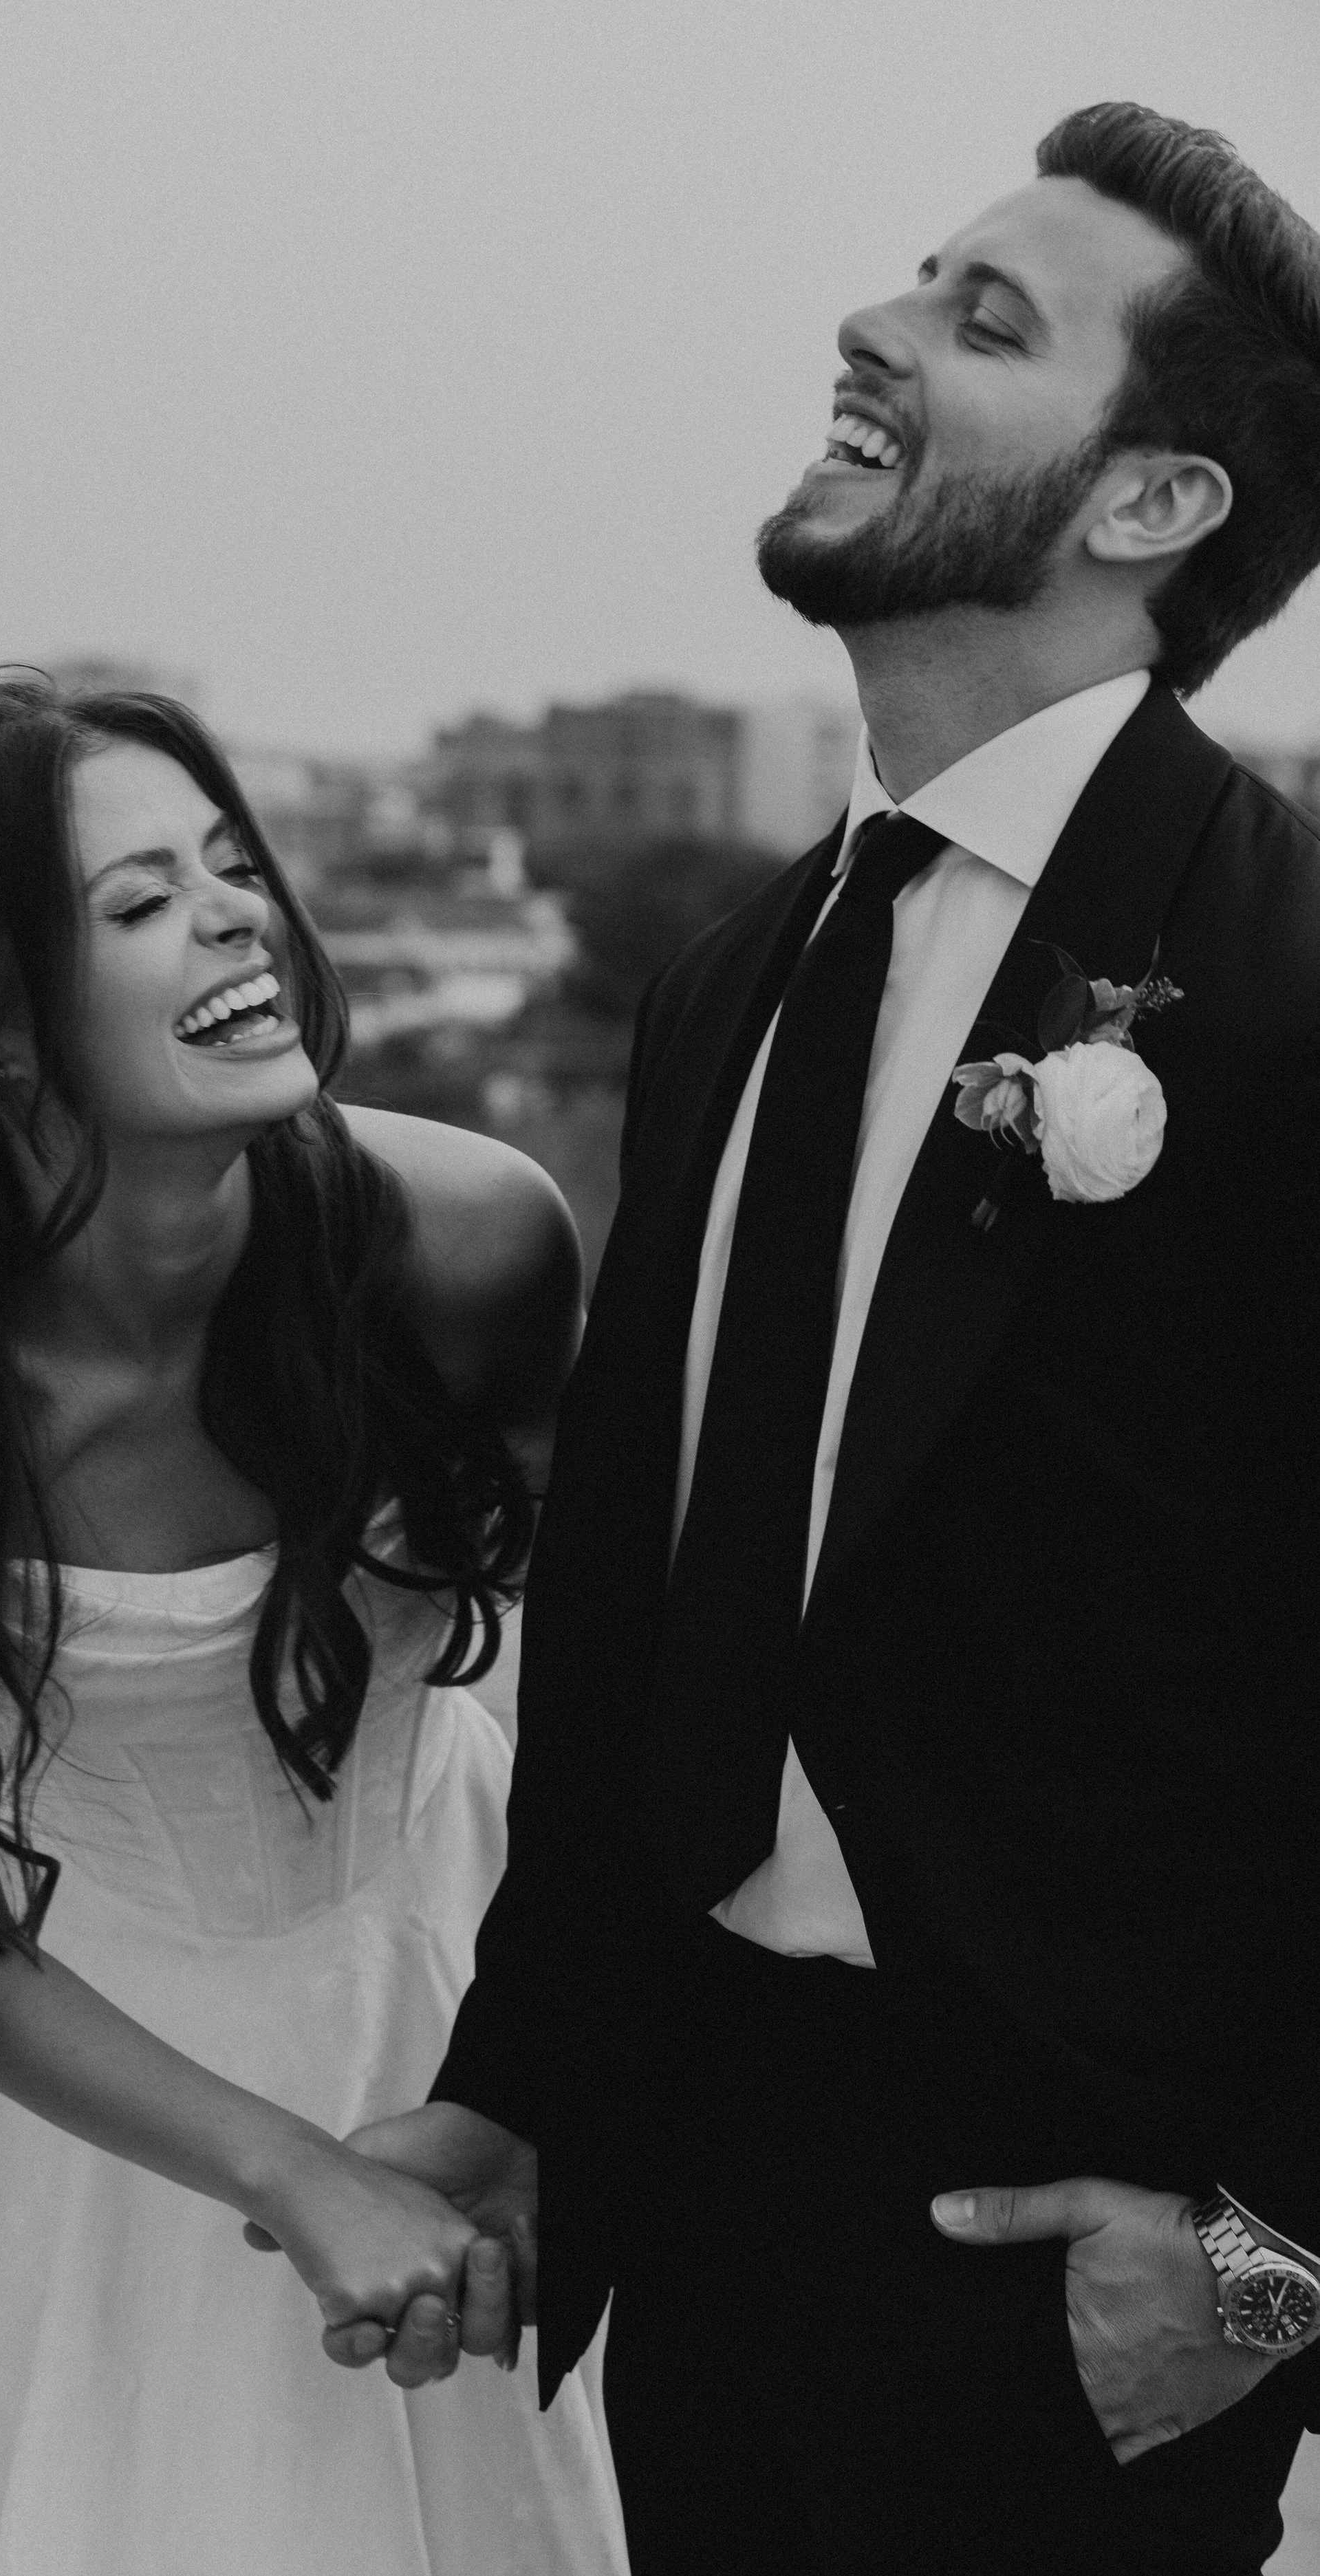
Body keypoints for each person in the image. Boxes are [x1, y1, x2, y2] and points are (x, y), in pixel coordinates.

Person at [340, 101, 1320, 2573]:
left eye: (984, 322)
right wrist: (513, 2093)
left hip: (1080, 2251)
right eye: (915, 281)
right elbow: (664, 1593)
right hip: (699, 2201)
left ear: (1149, 507)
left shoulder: (1293, 984)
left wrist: (1272, 2261)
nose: (875, 329)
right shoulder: (732, 983)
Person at [0, 676, 626, 2574]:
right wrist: (288, 2174)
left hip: (461, 2014)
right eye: (139, 903)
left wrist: (550, 2103)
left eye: (232, 864)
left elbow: (629, 1719)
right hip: (63, 2106)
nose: (236, 914)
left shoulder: (473, 1241)